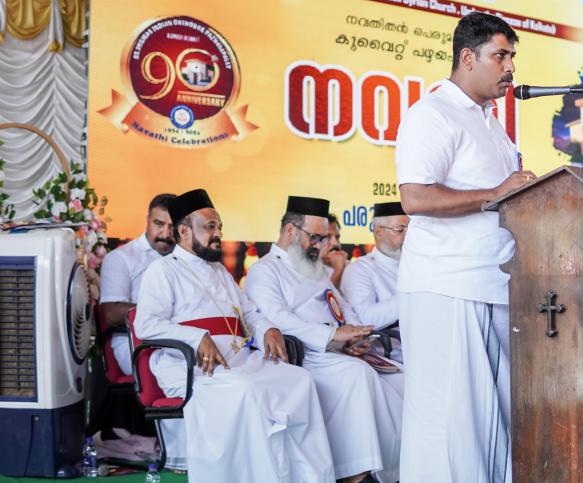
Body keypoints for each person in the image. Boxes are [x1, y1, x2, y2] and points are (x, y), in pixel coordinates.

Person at [394, 11, 531, 483]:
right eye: (500, 56)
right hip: (446, 286)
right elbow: (415, 198)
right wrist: (496, 193)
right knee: (450, 423)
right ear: (468, 57)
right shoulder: (432, 114)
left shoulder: (490, 122)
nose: (510, 67)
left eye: (511, 57)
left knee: (492, 419)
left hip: (492, 282)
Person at [134, 189, 334, 483]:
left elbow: (249, 312)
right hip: (193, 369)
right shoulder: (162, 270)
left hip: (239, 360)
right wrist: (196, 338)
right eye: (209, 227)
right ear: (184, 231)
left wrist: (268, 329)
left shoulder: (219, 270)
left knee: (300, 380)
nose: (218, 234)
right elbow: (146, 325)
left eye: (219, 227)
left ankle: (308, 477)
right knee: (246, 389)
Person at [245, 195, 402, 483]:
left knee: (397, 380)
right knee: (357, 375)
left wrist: (354, 334)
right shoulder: (264, 270)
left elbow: (341, 305)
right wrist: (331, 335)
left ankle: (392, 469)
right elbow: (277, 318)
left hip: (335, 351)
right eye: (315, 238)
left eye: (324, 238)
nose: (320, 245)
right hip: (304, 355)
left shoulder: (312, 266)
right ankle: (354, 471)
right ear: (290, 231)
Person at [100, 193, 175, 376]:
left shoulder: (185, 259)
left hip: (178, 339)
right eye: (159, 223)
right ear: (147, 220)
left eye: (172, 227)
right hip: (135, 343)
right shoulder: (120, 258)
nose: (165, 234)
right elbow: (112, 313)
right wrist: (172, 313)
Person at [341, 201, 408, 362]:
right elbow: (366, 319)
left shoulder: (418, 265)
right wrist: (413, 295)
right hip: (392, 355)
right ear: (378, 232)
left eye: (410, 230)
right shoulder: (360, 269)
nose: (408, 236)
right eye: (400, 230)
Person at [324, 213, 350, 288]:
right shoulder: (304, 269)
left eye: (337, 237)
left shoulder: (350, 267)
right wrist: (338, 271)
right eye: (327, 237)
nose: (335, 243)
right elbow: (324, 295)